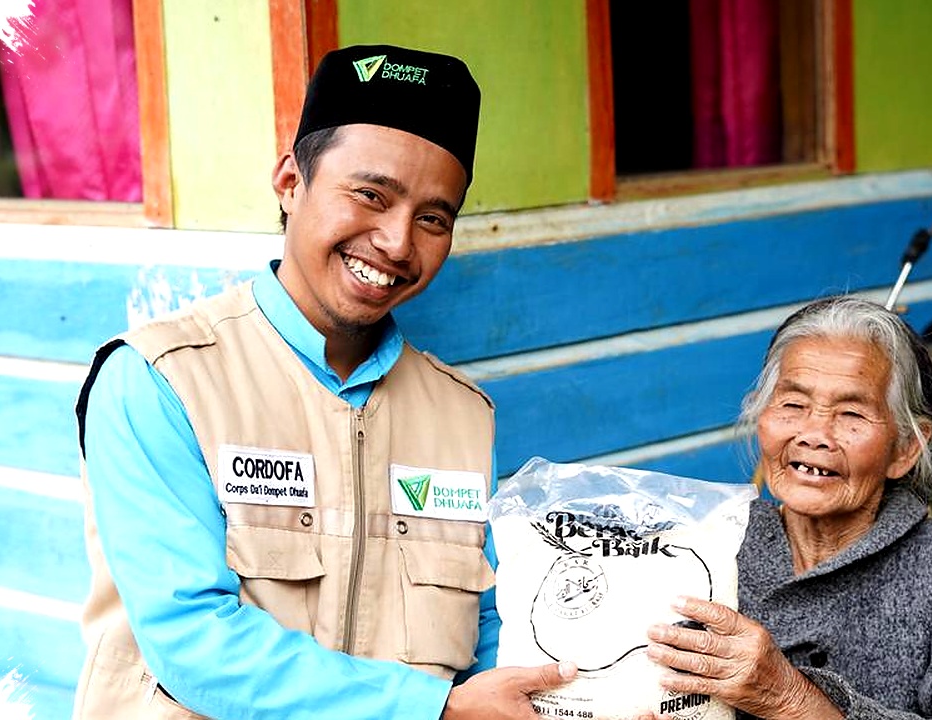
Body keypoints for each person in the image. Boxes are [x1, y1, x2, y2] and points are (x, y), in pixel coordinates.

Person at [72, 44, 576, 719]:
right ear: (290, 182)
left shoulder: (462, 414)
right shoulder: (162, 380)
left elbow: (494, 630)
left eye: (433, 218)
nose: (398, 243)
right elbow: (191, 642)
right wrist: (435, 709)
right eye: (371, 195)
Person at [643, 296, 932, 719]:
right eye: (793, 405)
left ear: (905, 448)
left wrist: (790, 698)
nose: (814, 434)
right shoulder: (711, 545)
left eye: (851, 413)